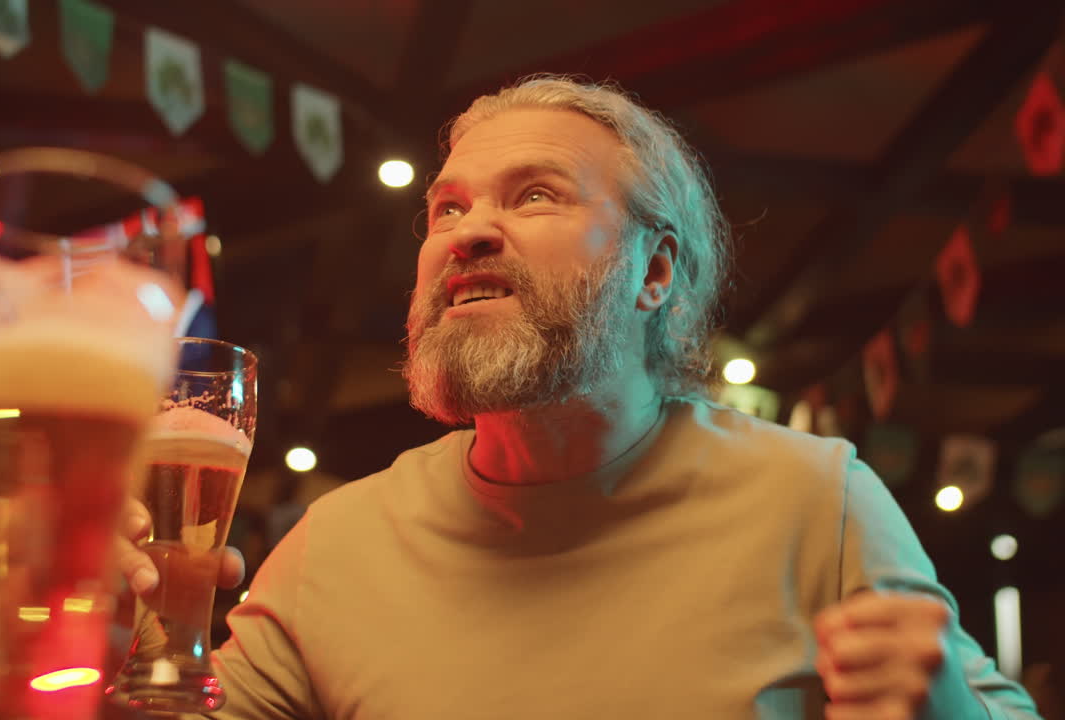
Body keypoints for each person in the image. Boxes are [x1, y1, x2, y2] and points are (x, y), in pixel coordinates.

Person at [120, 75, 1040, 719]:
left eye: (535, 195)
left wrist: (946, 710)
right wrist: (123, 642)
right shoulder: (336, 545)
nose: (469, 230)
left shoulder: (818, 499)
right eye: (447, 209)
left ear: (655, 270)